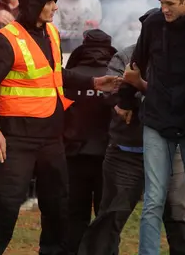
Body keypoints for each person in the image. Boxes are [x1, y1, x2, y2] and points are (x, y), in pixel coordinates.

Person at [0, 0, 120, 255]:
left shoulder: (51, 33)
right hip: (16, 139)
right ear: (34, 5)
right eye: (51, 2)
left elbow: (54, 76)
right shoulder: (8, 39)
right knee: (6, 205)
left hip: (52, 137)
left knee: (56, 206)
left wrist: (92, 82)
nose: (55, 8)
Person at [116, 0, 185, 255]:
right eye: (161, 3)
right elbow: (136, 63)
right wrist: (125, 100)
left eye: (170, 4)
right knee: (153, 200)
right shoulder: (152, 23)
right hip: (157, 119)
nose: (164, 9)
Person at [78, 9, 185, 255]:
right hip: (126, 154)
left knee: (179, 218)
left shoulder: (183, 58)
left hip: (169, 153)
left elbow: (180, 101)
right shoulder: (125, 57)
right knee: (110, 216)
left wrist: (137, 95)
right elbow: (113, 96)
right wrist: (141, 98)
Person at [62, 29, 117, 254]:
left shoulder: (71, 76)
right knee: (107, 217)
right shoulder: (116, 78)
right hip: (110, 157)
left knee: (74, 215)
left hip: (73, 156)